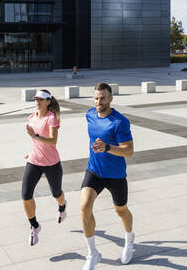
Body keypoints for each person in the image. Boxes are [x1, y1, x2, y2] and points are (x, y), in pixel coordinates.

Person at [80, 83, 135, 270]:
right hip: (94, 170)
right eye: (96, 98)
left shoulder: (119, 122)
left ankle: (129, 240)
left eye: (102, 98)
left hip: (115, 175)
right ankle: (93, 253)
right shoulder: (89, 115)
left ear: (110, 99)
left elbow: (129, 151)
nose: (98, 102)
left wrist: (107, 147)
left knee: (121, 211)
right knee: (84, 207)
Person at [22, 89, 67, 246]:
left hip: (51, 163)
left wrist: (36, 136)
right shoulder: (31, 118)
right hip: (34, 161)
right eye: (36, 99)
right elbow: (36, 142)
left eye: (41, 99)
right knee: (26, 195)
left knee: (56, 193)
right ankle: (34, 226)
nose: (37, 101)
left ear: (48, 101)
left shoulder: (51, 118)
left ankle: (62, 206)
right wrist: (32, 151)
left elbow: (53, 141)